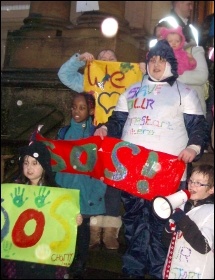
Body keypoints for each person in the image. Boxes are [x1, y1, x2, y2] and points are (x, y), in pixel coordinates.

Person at [94, 39, 209, 278]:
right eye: (153, 60)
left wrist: (194, 147)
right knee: (134, 222)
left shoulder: (184, 92)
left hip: (167, 173)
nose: (156, 64)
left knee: (162, 226)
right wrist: (106, 129)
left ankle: (160, 272)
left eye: (162, 59)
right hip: (131, 171)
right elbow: (118, 121)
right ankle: (133, 270)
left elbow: (198, 126)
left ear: (171, 63)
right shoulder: (131, 90)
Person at [57, 49, 123, 250]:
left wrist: (141, 70)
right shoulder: (89, 81)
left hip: (114, 136)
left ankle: (110, 230)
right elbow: (64, 75)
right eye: (102, 58)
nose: (106, 61)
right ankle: (94, 229)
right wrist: (78, 59)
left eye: (111, 58)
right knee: (91, 180)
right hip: (91, 136)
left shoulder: (125, 84)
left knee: (111, 183)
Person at [1, 141, 83, 279]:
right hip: (22, 253)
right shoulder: (15, 190)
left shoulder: (56, 192)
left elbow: (63, 217)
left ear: (44, 166)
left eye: (34, 163)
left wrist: (75, 220)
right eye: (26, 163)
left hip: (46, 253)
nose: (29, 167)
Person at [55, 92, 107, 278]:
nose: (76, 111)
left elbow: (102, 166)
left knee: (81, 226)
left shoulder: (96, 134)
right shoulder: (64, 132)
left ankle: (80, 261)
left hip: (85, 189)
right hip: (66, 186)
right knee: (64, 224)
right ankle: (64, 258)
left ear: (91, 110)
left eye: (82, 108)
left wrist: (98, 191)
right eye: (74, 107)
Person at [162, 164, 214, 279]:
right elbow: (166, 243)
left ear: (211, 189)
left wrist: (182, 220)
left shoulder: (212, 212)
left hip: (197, 273)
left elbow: (204, 246)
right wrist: (169, 228)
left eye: (198, 183)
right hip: (174, 271)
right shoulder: (183, 206)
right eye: (191, 181)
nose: (192, 186)